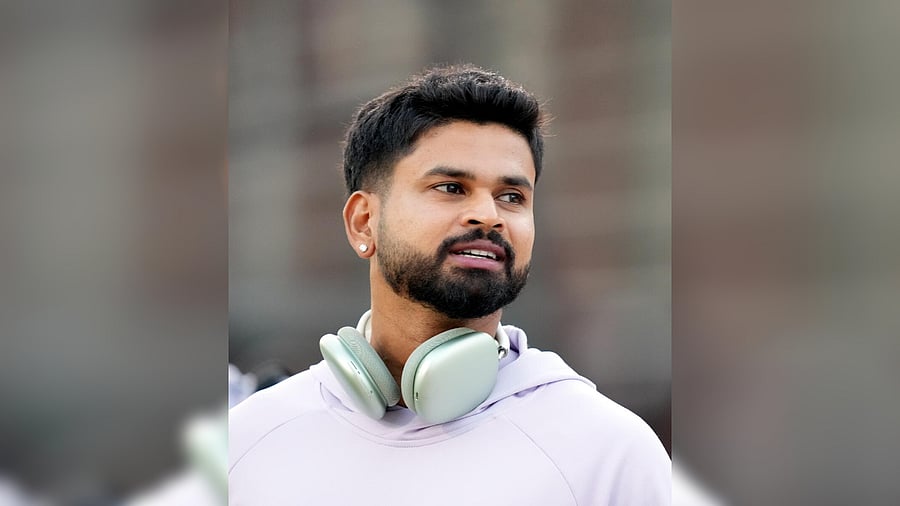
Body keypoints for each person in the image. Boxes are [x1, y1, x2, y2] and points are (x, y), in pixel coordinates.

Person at [229, 64, 671, 505]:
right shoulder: (248, 440)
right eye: (451, 187)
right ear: (364, 221)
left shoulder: (609, 451)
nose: (489, 214)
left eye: (512, 196)